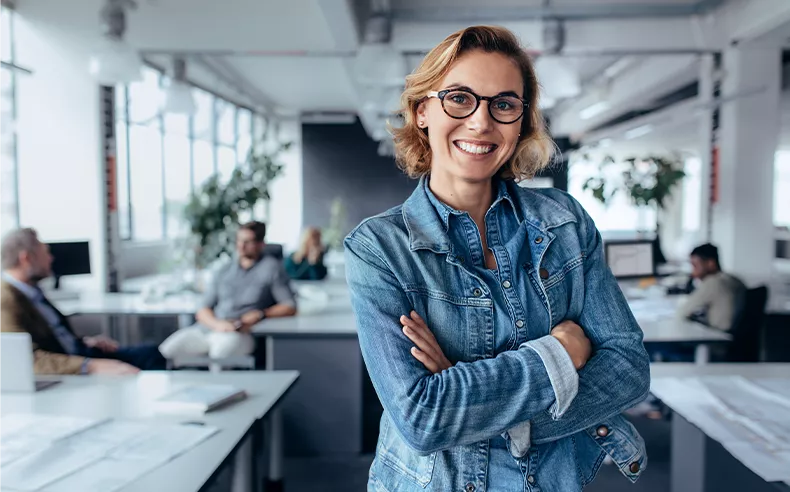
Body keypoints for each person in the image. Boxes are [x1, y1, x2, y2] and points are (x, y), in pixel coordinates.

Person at [343, 26, 651, 491]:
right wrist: (560, 353)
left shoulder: (564, 223)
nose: (481, 122)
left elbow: (627, 368)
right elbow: (422, 419)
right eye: (459, 98)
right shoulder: (380, 248)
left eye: (504, 104)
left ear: (521, 122)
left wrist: (486, 409)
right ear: (423, 110)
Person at [0, 228, 165, 374]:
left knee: (150, 352)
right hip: (71, 365)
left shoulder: (32, 291)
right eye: (46, 253)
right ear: (26, 258)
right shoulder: (6, 299)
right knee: (147, 359)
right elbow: (24, 359)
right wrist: (91, 366)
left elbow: (53, 334)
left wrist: (85, 341)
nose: (51, 259)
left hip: (79, 353)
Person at [159, 221, 297, 360]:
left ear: (261, 244)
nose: (241, 246)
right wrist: (218, 325)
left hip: (240, 332)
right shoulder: (224, 269)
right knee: (167, 351)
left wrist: (260, 314)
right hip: (210, 328)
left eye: (248, 242)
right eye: (239, 240)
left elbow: (289, 306)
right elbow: (203, 309)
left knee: (220, 355)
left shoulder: (271, 268)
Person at [677, 243, 747, 332]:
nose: (693, 272)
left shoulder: (713, 282)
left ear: (710, 263)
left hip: (716, 336)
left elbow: (682, 313)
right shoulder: (734, 279)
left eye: (695, 266)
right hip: (731, 336)